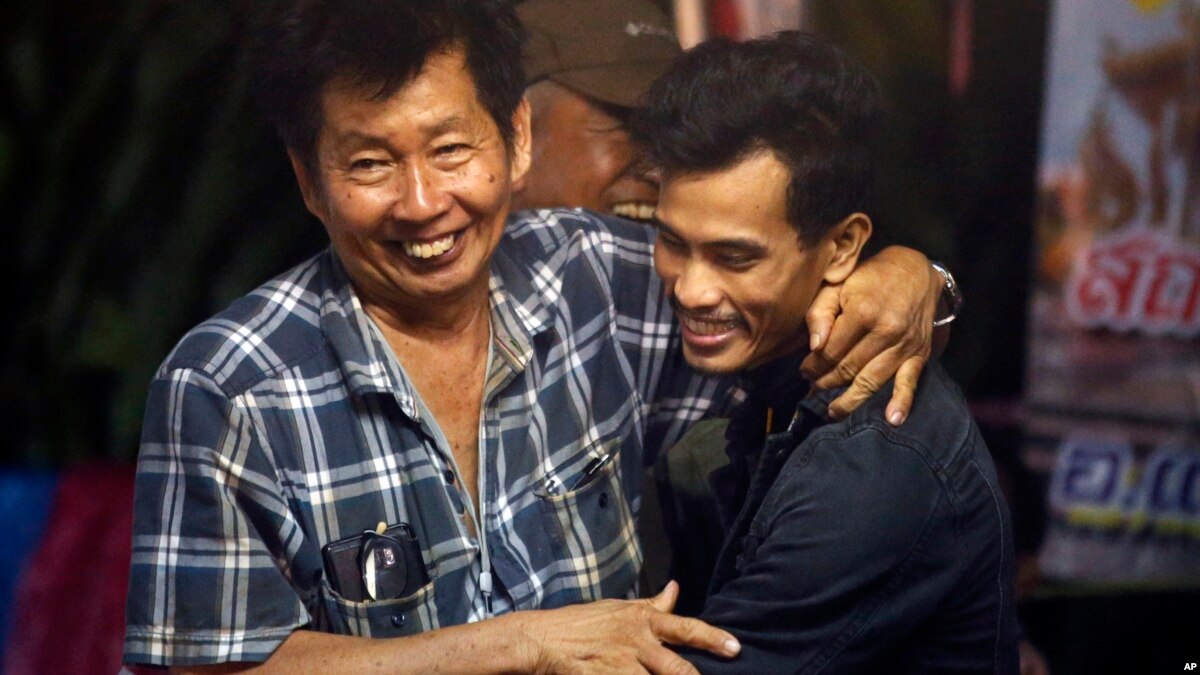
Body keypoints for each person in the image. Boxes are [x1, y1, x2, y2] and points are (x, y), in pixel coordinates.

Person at [122, 1, 935, 672]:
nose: (422, 203)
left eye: (450, 149)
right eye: (370, 163)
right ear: (309, 178)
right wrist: (518, 644)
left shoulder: (597, 279)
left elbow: (795, 294)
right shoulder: (228, 387)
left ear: (515, 139)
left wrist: (913, 276)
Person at [631, 31, 1020, 672]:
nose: (691, 289)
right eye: (673, 242)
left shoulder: (870, 467)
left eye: (735, 258)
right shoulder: (781, 383)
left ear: (841, 247)